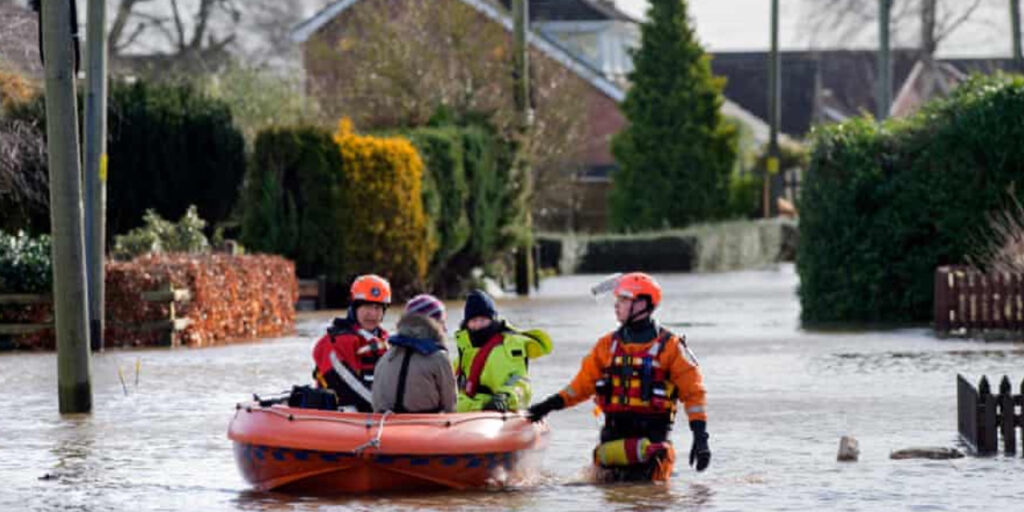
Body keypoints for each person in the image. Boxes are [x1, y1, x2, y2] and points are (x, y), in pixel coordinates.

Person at [527, 272, 710, 482]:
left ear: (642, 304)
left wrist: (700, 437)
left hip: (652, 447)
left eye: (623, 299)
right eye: (617, 300)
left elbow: (694, 394)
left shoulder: (671, 348)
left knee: (649, 496)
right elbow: (580, 387)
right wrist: (545, 407)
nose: (616, 305)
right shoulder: (606, 346)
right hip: (612, 440)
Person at [453, 290, 553, 412]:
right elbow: (450, 381)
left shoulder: (509, 345)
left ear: (493, 320)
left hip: (498, 409)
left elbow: (519, 381)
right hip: (466, 410)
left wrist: (505, 397)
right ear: (467, 323)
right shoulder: (465, 350)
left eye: (483, 319)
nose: (478, 325)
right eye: (473, 321)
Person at [311, 274, 391, 412]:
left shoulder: (387, 342)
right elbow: (347, 386)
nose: (372, 314)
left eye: (377, 308)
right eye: (366, 307)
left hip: (378, 410)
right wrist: (385, 408)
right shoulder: (336, 342)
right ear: (354, 308)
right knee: (350, 408)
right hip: (345, 412)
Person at [372, 295, 457, 413]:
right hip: (427, 427)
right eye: (442, 322)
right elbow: (451, 406)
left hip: (386, 426)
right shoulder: (439, 358)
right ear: (434, 324)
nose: (446, 329)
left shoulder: (386, 357)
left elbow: (376, 404)